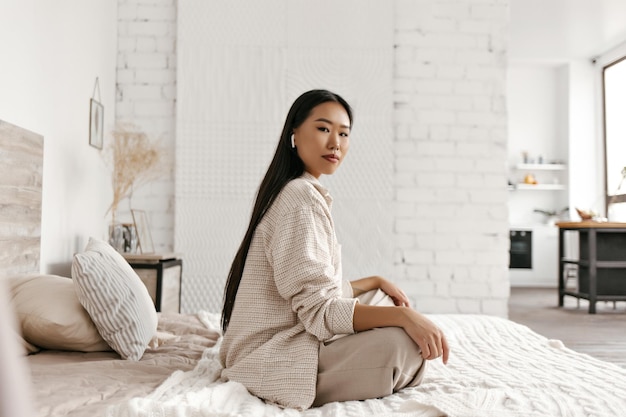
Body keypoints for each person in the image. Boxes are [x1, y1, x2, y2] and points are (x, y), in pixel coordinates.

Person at [219, 89, 449, 410]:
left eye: (344, 133)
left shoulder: (299, 190)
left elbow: (314, 293)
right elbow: (319, 312)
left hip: (287, 336)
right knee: (404, 345)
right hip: (273, 357)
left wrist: (375, 281)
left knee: (381, 303)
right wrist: (404, 316)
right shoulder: (300, 198)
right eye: (324, 129)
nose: (335, 143)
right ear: (294, 135)